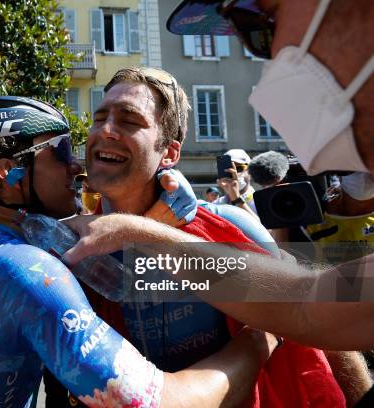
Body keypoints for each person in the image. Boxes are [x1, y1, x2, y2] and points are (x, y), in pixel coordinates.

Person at [0, 96, 281, 408]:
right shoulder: (29, 268)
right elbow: (158, 402)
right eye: (60, 151)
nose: (76, 165)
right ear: (10, 171)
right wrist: (257, 340)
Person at [60, 0, 374, 353]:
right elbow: (309, 303)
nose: (269, 54)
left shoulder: (232, 225)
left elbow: (306, 317)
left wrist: (139, 233)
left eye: (259, 24)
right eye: (99, 119)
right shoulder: (63, 243)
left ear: (170, 152)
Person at [214, 149, 259, 219]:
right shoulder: (215, 206)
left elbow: (263, 229)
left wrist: (237, 200)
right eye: (228, 170)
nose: (234, 173)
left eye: (239, 168)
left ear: (250, 172)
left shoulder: (262, 202)